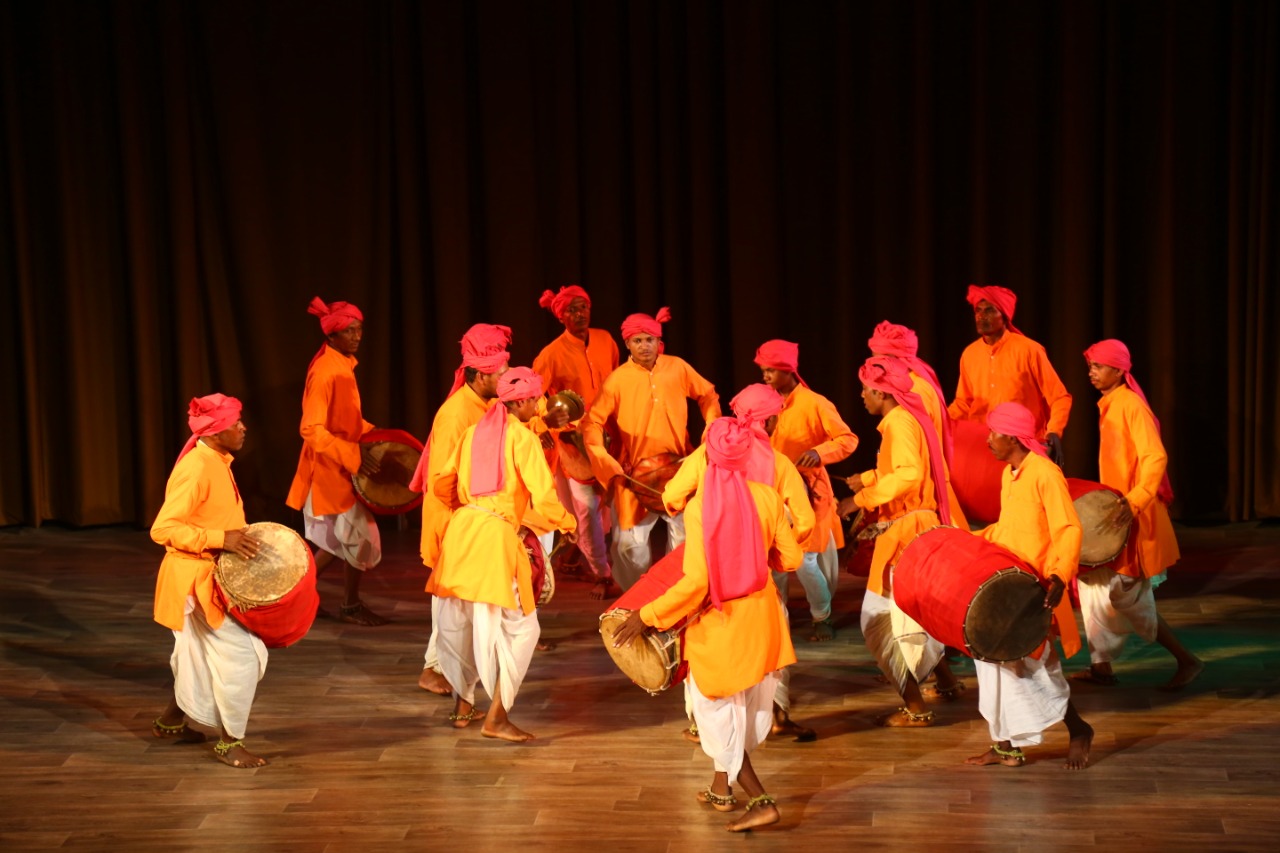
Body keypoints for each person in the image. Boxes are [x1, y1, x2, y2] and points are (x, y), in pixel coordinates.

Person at [612, 416, 804, 832]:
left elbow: (698, 581)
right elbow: (791, 560)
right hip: (764, 617)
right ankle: (722, 787)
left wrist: (645, 616)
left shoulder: (703, 507)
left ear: (708, 458)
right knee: (743, 709)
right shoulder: (768, 497)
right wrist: (757, 557)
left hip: (724, 623)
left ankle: (762, 800)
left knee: (716, 714)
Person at [425, 367, 577, 742]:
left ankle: (463, 707)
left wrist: (469, 509)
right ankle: (497, 717)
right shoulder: (523, 439)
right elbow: (544, 497)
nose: (538, 406)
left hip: (461, 534)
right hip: (494, 538)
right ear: (522, 401)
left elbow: (441, 484)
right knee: (522, 628)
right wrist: (568, 524)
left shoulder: (472, 434)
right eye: (536, 400)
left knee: (460, 622)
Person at [663, 383, 818, 742]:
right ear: (773, 420)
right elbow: (805, 520)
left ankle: (701, 723)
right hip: (760, 567)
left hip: (708, 566)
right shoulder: (779, 463)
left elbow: (672, 495)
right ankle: (775, 716)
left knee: (702, 638)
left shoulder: (707, 453)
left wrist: (680, 508)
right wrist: (781, 552)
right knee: (768, 641)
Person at [965, 402, 1094, 770]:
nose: (988, 440)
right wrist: (971, 541)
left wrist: (1058, 573)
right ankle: (1004, 745)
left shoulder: (1045, 474)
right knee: (991, 660)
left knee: (1037, 665)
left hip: (1036, 586)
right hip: (1008, 583)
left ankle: (1079, 728)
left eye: (993, 433)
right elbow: (1010, 529)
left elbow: (1068, 528)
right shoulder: (1012, 473)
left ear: (1013, 437)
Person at [841, 357, 964, 726]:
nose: (862, 396)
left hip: (906, 531)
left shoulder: (898, 422)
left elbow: (909, 474)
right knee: (916, 615)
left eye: (865, 389)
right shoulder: (908, 420)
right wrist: (867, 478)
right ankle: (946, 682)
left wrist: (860, 499)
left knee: (879, 620)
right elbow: (906, 468)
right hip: (914, 526)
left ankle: (915, 707)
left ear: (880, 391)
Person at [1074, 339, 1203, 689]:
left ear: (1118, 370)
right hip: (1119, 516)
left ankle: (1187, 660)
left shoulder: (1130, 405)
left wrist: (1135, 500)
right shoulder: (1111, 404)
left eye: (1097, 366)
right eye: (1090, 366)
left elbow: (1155, 457)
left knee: (1128, 595)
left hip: (1133, 516)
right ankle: (1101, 666)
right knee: (1094, 584)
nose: (1091, 372)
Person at [150, 394, 268, 768]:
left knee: (198, 657)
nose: (243, 427)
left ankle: (170, 721)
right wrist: (221, 539)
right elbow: (163, 528)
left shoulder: (216, 460)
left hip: (209, 576)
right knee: (242, 658)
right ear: (216, 430)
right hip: (193, 580)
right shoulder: (198, 468)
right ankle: (230, 743)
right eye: (236, 423)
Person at [582, 307, 721, 591]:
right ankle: (636, 599)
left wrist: (712, 426)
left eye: (650, 340)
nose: (645, 346)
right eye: (638, 341)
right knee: (628, 546)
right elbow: (592, 421)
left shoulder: (677, 367)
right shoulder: (617, 379)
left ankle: (677, 598)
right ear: (627, 344)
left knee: (685, 539)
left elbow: (707, 394)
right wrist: (603, 458)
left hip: (679, 469)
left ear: (659, 342)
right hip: (634, 474)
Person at [412, 323, 513, 697]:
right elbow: (442, 481)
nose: (504, 378)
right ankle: (434, 668)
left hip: (472, 518)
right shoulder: (456, 414)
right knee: (449, 601)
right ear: (476, 374)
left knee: (460, 602)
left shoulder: (487, 404)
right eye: (498, 373)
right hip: (454, 517)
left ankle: (450, 665)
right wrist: (473, 519)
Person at [285, 296, 387, 626]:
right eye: (351, 331)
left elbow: (347, 421)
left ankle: (294, 601)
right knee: (358, 536)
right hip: (329, 469)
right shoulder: (327, 372)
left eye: (359, 330)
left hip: (339, 465)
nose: (358, 336)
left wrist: (379, 437)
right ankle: (349, 604)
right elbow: (311, 428)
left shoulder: (341, 365)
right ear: (332, 336)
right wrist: (353, 454)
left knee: (334, 542)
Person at [755, 339, 858, 641]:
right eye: (763, 371)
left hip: (808, 493)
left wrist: (819, 451)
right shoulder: (764, 401)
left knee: (804, 560)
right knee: (773, 560)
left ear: (789, 371)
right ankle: (777, 617)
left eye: (770, 371)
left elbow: (848, 439)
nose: (765, 378)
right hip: (770, 492)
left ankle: (821, 617)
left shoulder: (814, 402)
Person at [533, 285, 620, 599]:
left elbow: (616, 381)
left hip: (609, 435)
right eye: (571, 309)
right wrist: (552, 419)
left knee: (607, 507)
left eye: (583, 307)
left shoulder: (606, 340)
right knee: (585, 509)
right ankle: (603, 574)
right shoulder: (552, 354)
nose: (579, 314)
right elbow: (534, 394)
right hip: (574, 441)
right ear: (561, 316)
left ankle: (575, 553)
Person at [948, 285, 1072, 465]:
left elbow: (1060, 397)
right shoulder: (970, 354)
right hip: (980, 446)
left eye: (989, 310)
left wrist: (1054, 431)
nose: (982, 316)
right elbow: (963, 403)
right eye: (978, 311)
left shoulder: (1029, 350)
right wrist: (939, 422)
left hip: (1021, 448)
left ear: (1004, 316)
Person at [867, 320, 967, 532]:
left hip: (919, 492)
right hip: (918, 481)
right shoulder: (914, 381)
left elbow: (912, 454)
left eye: (878, 359)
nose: (874, 367)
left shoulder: (913, 387)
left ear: (895, 358)